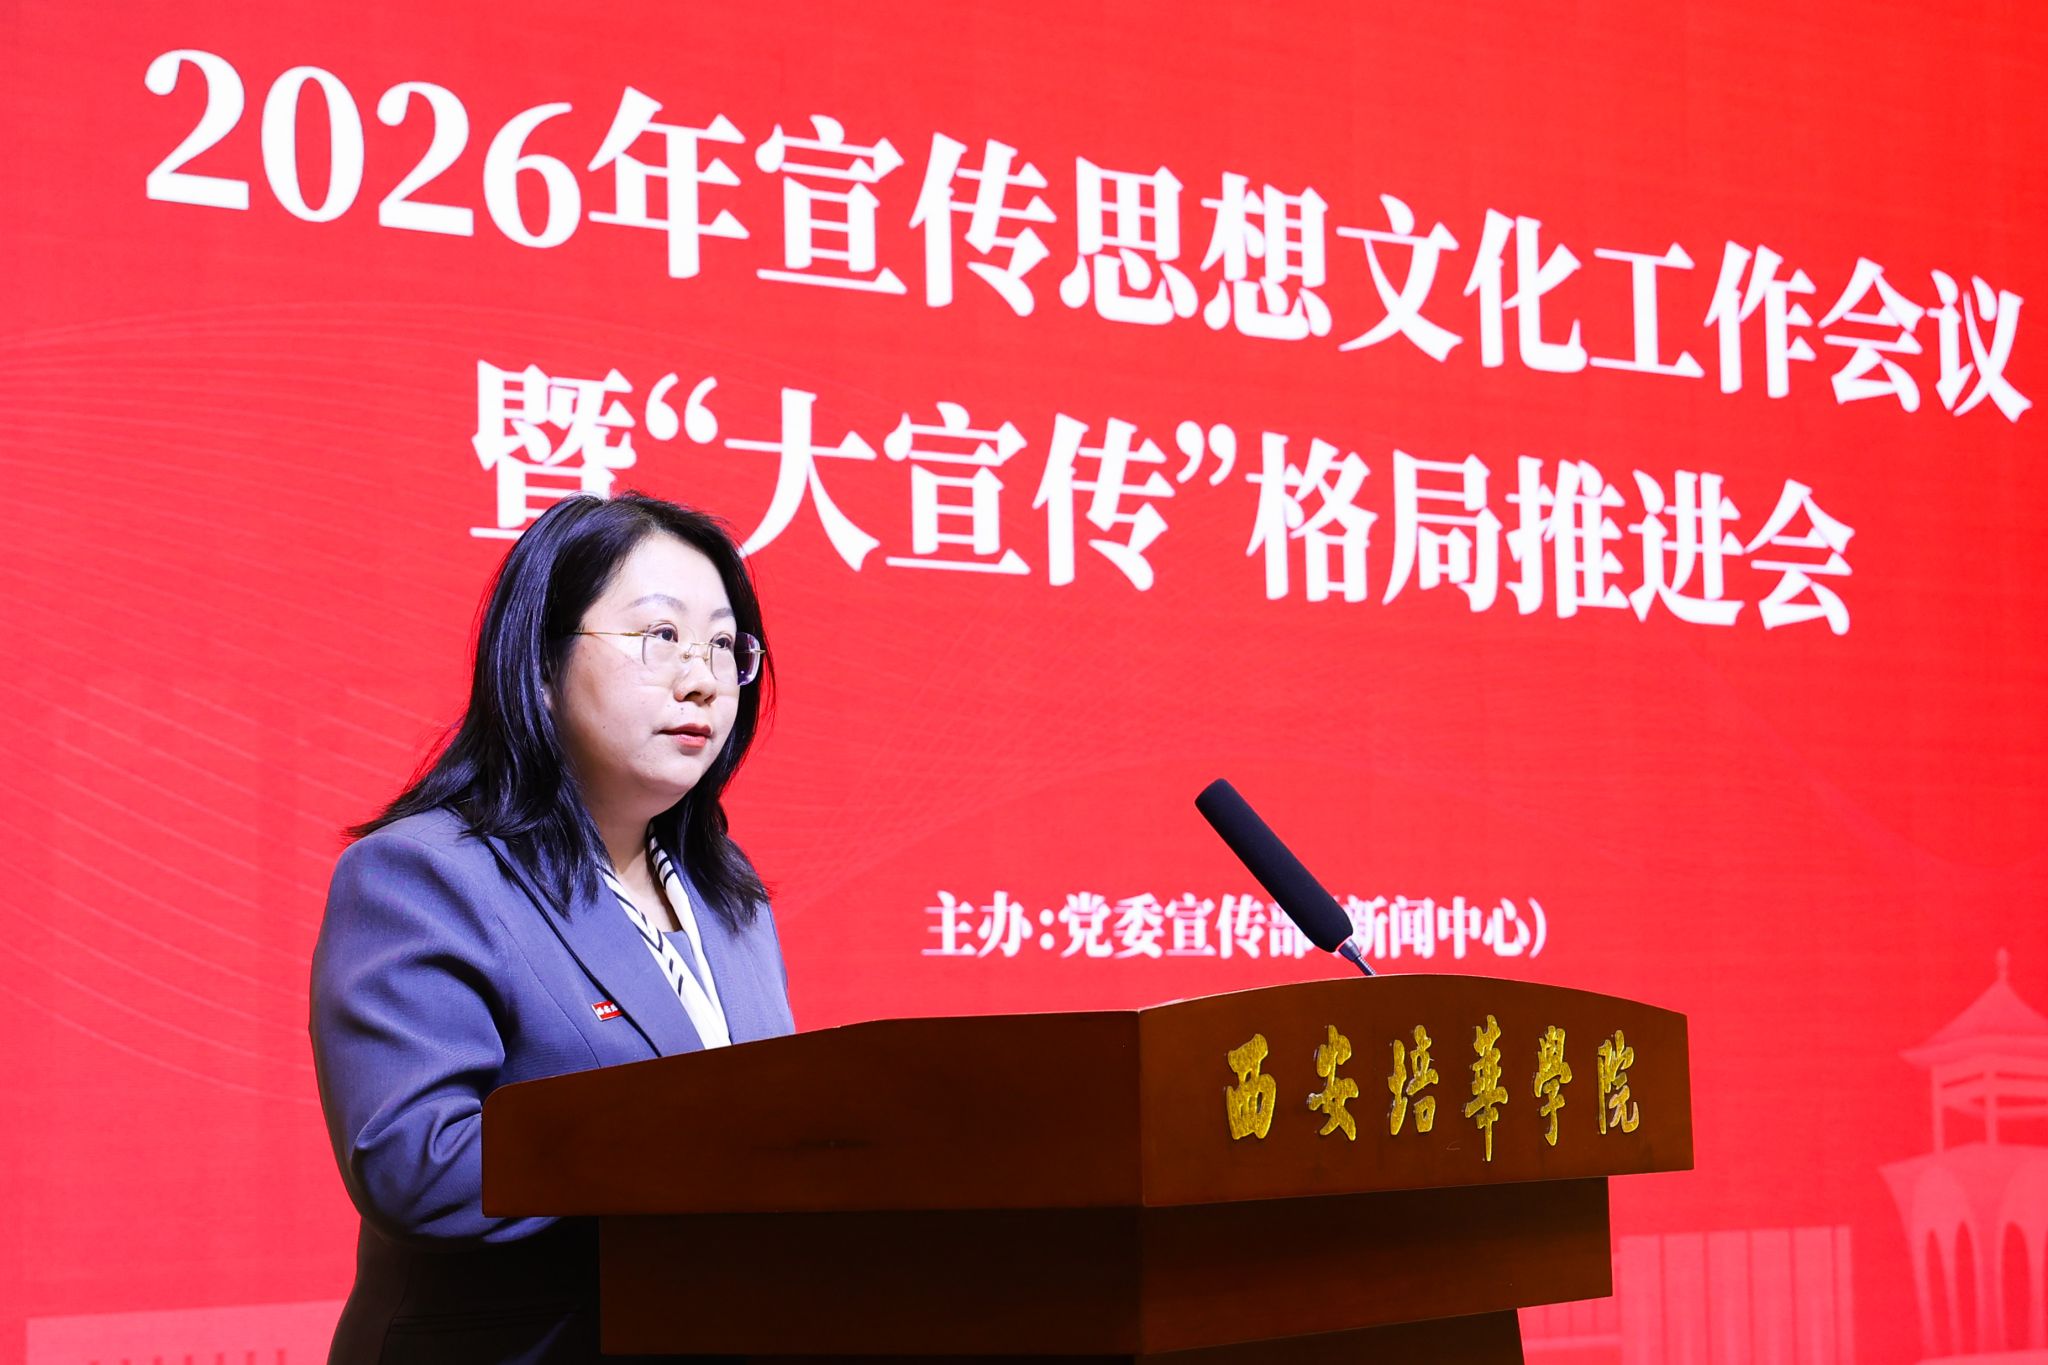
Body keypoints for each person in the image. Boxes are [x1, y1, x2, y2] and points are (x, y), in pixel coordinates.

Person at [310, 493, 793, 1364]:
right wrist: (707, 1143)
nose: (702, 678)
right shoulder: (425, 874)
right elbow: (415, 1162)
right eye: (662, 636)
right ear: (540, 662)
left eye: (724, 645)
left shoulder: (731, 893)